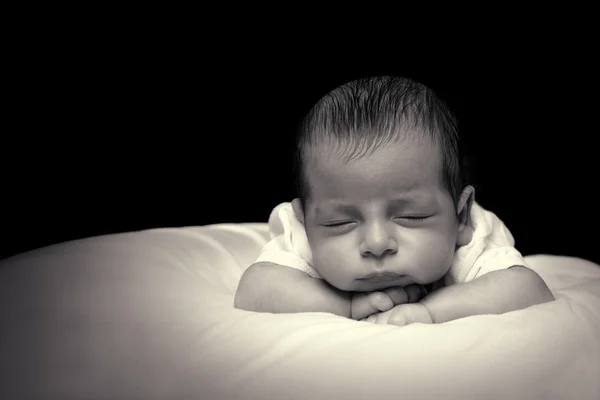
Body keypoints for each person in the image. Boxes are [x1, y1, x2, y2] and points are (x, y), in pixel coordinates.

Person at [234, 75, 554, 325]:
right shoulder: (303, 235)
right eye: (340, 222)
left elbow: (528, 288)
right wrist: (346, 306)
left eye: (411, 217)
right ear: (306, 222)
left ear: (460, 216)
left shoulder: (472, 236)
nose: (376, 243)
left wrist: (431, 311)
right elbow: (256, 289)